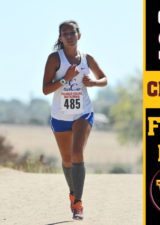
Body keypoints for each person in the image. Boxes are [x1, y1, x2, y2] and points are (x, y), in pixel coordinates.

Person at [42, 20, 107, 220]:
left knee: (77, 152)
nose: (69, 36)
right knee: (67, 160)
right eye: (65, 33)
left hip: (83, 112)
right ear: (60, 38)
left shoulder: (88, 59)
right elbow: (45, 89)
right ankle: (73, 194)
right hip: (60, 115)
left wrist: (94, 82)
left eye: (73, 32)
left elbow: (104, 78)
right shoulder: (55, 58)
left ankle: (78, 203)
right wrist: (65, 78)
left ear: (79, 35)